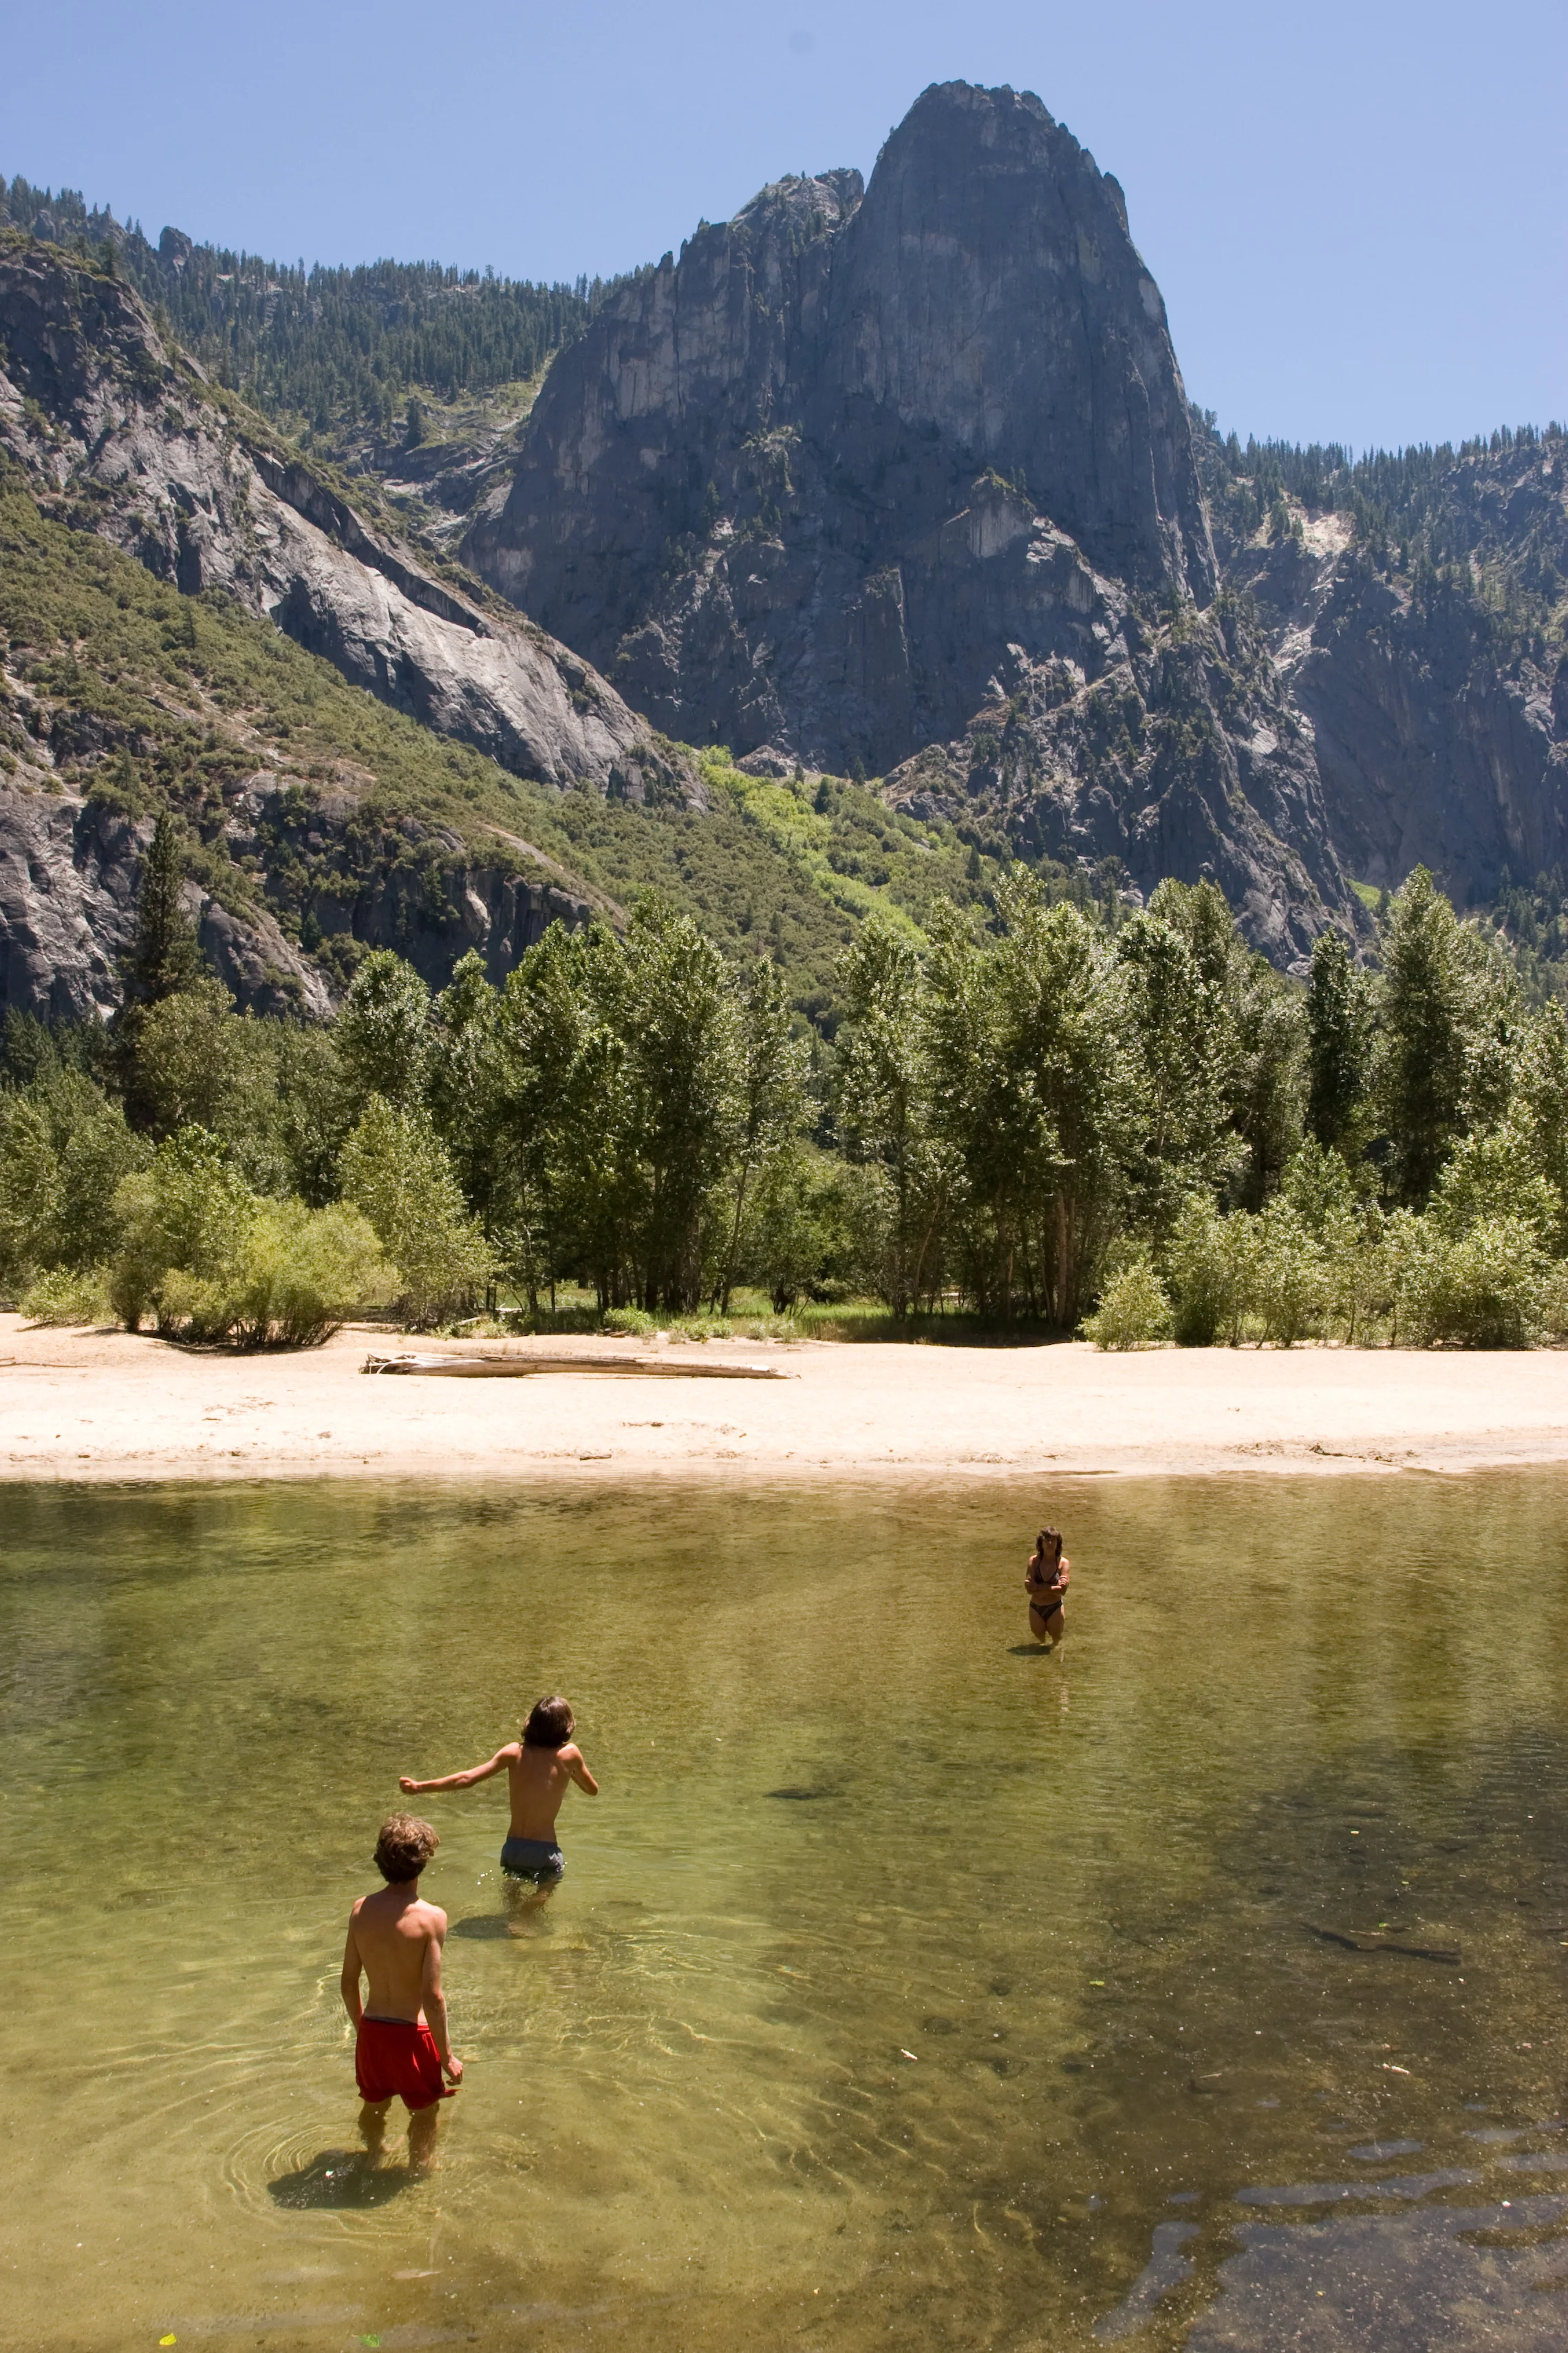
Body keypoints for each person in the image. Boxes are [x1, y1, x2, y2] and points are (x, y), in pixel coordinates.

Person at [341, 1813, 462, 2167]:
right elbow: (432, 1996)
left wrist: (363, 2029)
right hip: (414, 2035)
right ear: (423, 1863)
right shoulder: (431, 1918)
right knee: (424, 2113)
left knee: (373, 2105)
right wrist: (447, 2056)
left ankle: (371, 2156)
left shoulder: (360, 1910)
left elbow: (349, 1982)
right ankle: (418, 2171)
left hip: (374, 2032)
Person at [400, 1694, 599, 1902]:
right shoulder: (570, 1755)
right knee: (550, 1884)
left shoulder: (514, 1752)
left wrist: (419, 1787)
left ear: (531, 1723)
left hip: (512, 1849)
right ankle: (531, 1910)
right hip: (544, 1850)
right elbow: (592, 1789)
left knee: (511, 1893)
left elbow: (467, 1779)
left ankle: (513, 1922)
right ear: (567, 1727)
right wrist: (570, 1772)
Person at [1024, 1527, 1071, 1645]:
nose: (1050, 1544)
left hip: (1054, 1607)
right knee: (1039, 1639)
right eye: (1047, 1540)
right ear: (1041, 1543)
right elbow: (1029, 1590)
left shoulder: (1063, 1563)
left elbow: (1063, 1590)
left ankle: (1058, 1660)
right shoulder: (1033, 1561)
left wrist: (1039, 1587)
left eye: (1053, 1541)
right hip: (1036, 1607)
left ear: (1058, 1543)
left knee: (1057, 1639)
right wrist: (1052, 1588)